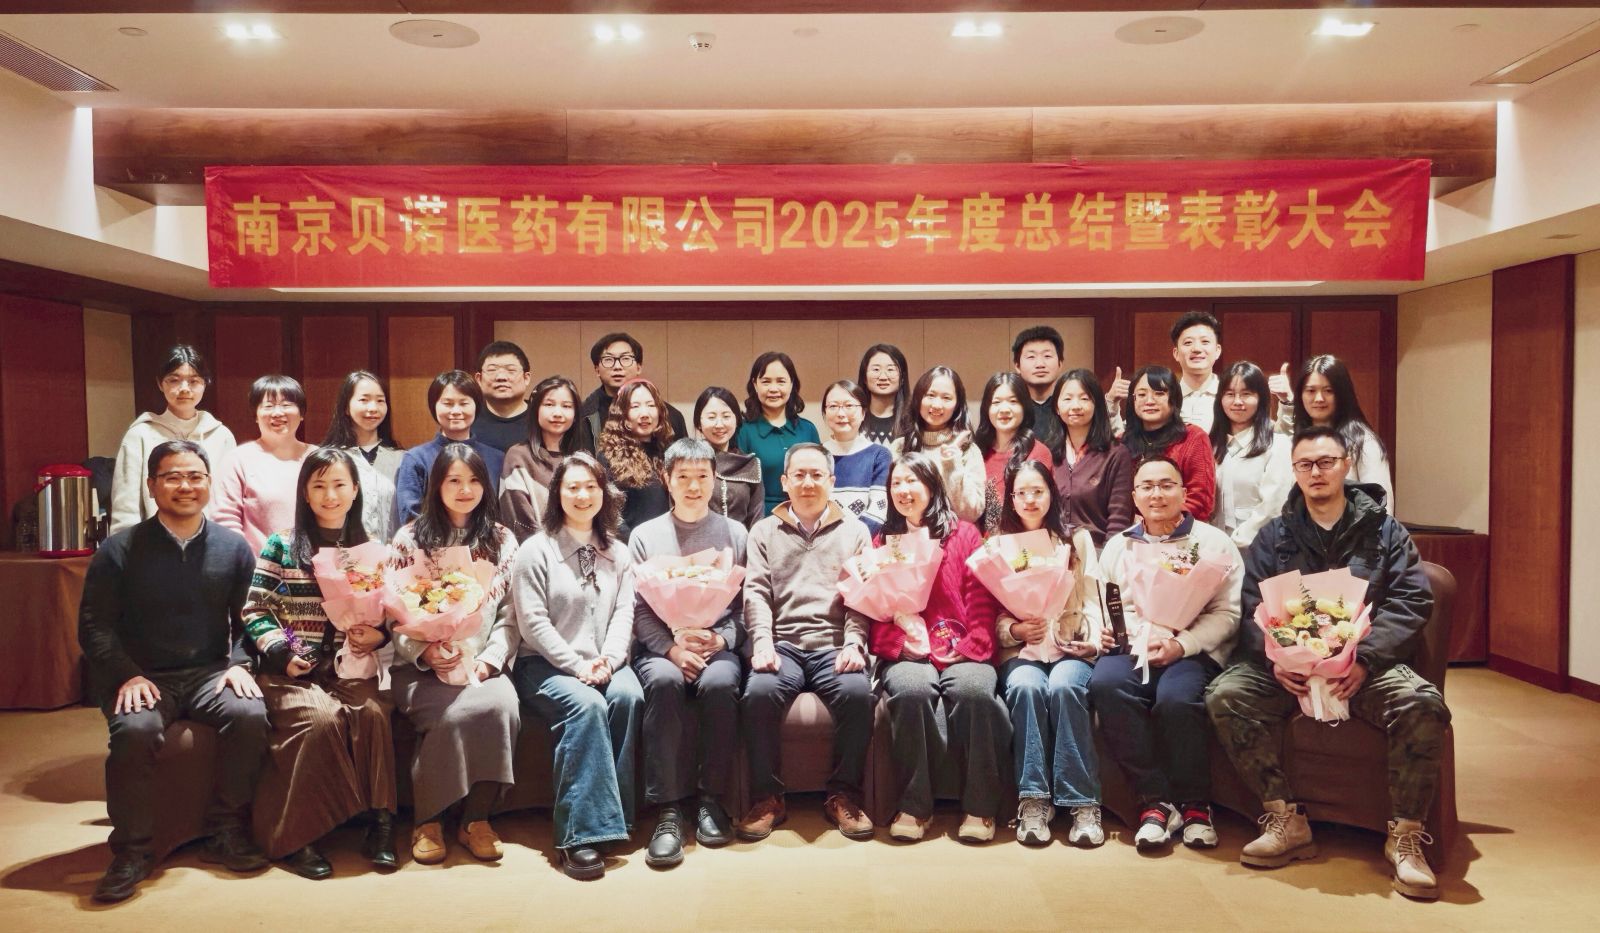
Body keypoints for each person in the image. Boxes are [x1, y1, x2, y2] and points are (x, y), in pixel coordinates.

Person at [1206, 426, 1446, 899]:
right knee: (1225, 694)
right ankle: (1284, 817)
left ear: (1345, 466)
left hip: (1366, 667)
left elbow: (1411, 601)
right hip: (1289, 670)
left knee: (1422, 703)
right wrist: (1275, 661)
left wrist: (1366, 658)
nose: (1315, 472)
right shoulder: (1275, 535)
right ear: (1294, 472)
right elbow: (1251, 605)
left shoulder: (1385, 531)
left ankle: (1406, 836)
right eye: (1305, 465)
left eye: (1325, 462)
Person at [78, 440, 268, 903]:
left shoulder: (232, 548)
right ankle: (132, 850)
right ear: (151, 486)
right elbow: (94, 626)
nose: (185, 486)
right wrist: (126, 674)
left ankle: (226, 829)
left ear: (209, 483)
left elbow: (251, 620)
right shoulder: (119, 550)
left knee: (250, 715)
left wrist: (241, 664)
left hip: (209, 672)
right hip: (142, 675)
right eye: (172, 477)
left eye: (195, 476)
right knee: (135, 730)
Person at [240, 448, 396, 877]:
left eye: (339, 484)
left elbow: (388, 614)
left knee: (374, 714)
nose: (330, 495)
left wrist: (379, 635)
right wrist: (282, 652)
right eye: (319, 486)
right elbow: (255, 608)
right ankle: (298, 836)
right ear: (305, 494)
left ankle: (381, 824)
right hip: (292, 670)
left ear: (355, 490)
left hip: (350, 665)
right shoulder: (282, 545)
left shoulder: (371, 550)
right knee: (321, 719)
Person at [1093, 456, 1243, 852]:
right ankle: (1154, 801)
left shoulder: (1213, 543)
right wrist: (1119, 633)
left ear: (1184, 491)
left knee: (1176, 699)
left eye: (1166, 485)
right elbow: (1109, 604)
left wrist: (1181, 643)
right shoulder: (1119, 545)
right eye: (1147, 487)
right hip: (1135, 646)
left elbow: (1227, 614)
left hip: (1192, 648)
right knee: (1106, 684)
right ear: (1135, 497)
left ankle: (1196, 806)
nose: (1156, 494)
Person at [510, 453, 643, 880]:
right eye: (573, 487)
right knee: (587, 705)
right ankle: (580, 834)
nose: (582, 495)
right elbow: (532, 623)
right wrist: (577, 666)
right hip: (545, 664)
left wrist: (611, 659)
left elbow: (624, 612)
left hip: (604, 660)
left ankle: (616, 819)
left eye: (591, 487)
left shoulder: (618, 552)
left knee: (628, 695)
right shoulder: (536, 550)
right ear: (557, 494)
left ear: (604, 494)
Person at [388, 444, 522, 867]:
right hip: (421, 667)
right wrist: (426, 650)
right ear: (436, 485)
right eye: (454, 480)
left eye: (474, 480)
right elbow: (393, 615)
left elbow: (511, 615)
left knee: (501, 707)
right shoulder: (409, 539)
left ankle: (475, 819)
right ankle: (428, 820)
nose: (465, 489)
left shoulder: (501, 540)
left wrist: (490, 660)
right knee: (453, 714)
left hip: (481, 664)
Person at [737, 443, 876, 842]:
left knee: (858, 694)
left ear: (832, 481)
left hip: (834, 643)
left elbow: (861, 594)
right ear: (784, 481)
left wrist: (854, 642)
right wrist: (762, 642)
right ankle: (768, 798)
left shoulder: (855, 531)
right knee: (758, 694)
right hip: (783, 643)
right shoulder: (764, 531)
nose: (808, 483)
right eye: (799, 475)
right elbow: (756, 592)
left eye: (817, 475)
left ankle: (842, 794)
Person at [872, 453, 1010, 845]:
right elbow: (875, 605)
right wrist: (899, 644)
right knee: (911, 690)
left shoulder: (964, 534)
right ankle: (915, 806)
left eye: (912, 481)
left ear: (932, 486)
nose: (903, 490)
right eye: (896, 483)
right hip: (909, 651)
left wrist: (974, 644)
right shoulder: (884, 540)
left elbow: (981, 596)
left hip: (962, 646)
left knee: (974, 690)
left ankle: (980, 805)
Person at [629, 439, 747, 868]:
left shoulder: (735, 534)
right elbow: (638, 610)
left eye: (702, 477)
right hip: (662, 647)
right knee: (663, 682)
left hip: (717, 643)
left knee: (721, 682)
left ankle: (711, 799)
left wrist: (722, 639)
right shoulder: (644, 536)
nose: (693, 487)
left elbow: (746, 607)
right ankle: (668, 809)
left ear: (715, 480)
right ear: (667, 479)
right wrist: (671, 649)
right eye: (683, 477)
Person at [993, 459, 1109, 847]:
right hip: (1022, 651)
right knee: (1026, 688)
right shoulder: (999, 545)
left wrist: (1092, 640)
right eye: (1021, 493)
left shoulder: (1077, 540)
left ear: (1051, 494)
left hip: (1070, 648)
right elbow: (991, 613)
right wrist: (1013, 630)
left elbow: (1093, 599)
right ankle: (1033, 799)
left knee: (1064, 687)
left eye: (1038, 491)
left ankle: (1083, 802)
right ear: (1011, 499)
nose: (1030, 499)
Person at [110, 344, 237, 535]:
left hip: (209, 543)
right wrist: (125, 549)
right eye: (174, 380)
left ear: (205, 383)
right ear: (160, 384)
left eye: (194, 381)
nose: (184, 389)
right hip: (155, 544)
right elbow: (126, 509)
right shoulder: (140, 434)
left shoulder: (222, 436)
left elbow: (229, 503)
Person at [1269, 354, 1394, 512]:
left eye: (1328, 391)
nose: (1319, 398)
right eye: (1311, 391)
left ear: (1342, 394)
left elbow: (1382, 505)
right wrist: (1287, 401)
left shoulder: (1362, 441)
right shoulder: (1299, 437)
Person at [211, 374, 317, 553]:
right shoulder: (238, 459)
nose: (278, 413)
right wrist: (249, 563)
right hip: (258, 566)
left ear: (301, 413)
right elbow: (225, 521)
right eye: (268, 406)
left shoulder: (318, 458)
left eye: (286, 405)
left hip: (316, 564)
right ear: (256, 415)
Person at [394, 371, 505, 526]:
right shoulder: (416, 458)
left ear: (476, 406)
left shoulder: (497, 458)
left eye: (464, 403)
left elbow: (501, 512)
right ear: (434, 406)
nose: (456, 411)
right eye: (448, 403)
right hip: (429, 540)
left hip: (486, 539)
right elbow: (410, 515)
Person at [1208, 361, 1293, 548]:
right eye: (1230, 394)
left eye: (1246, 394)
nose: (1237, 401)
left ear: (1260, 398)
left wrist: (1234, 544)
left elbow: (1273, 507)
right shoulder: (1209, 445)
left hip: (1259, 548)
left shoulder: (1277, 444)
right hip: (1213, 548)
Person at [889, 366, 985, 524]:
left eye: (946, 398)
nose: (937, 405)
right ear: (918, 398)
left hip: (954, 536)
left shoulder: (967, 450)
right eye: (930, 395)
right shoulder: (900, 447)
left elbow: (971, 513)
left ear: (957, 405)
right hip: (909, 535)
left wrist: (951, 465)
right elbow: (891, 506)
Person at [1050, 369, 1134, 547]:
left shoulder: (1116, 454)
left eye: (1084, 398)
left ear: (1097, 404)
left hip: (1099, 552)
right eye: (1067, 399)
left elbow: (1118, 520)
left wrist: (1107, 558)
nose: (1075, 406)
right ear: (1057, 407)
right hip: (1055, 553)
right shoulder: (1048, 453)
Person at [1121, 365, 1216, 522]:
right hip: (1131, 530)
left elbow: (1200, 500)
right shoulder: (1121, 442)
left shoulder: (1193, 437)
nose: (1149, 401)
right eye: (1142, 394)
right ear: (1133, 400)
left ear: (1174, 398)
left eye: (1159, 393)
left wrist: (1155, 524)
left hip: (1182, 530)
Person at [321, 370, 406, 543]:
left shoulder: (402, 458)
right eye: (364, 400)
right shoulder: (329, 459)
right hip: (342, 554)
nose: (373, 408)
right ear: (346, 407)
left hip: (392, 555)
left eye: (380, 401)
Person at [500, 375, 585, 542]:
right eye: (549, 404)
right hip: (533, 552)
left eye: (566, 406)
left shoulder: (582, 461)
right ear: (536, 410)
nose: (558, 413)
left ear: (575, 414)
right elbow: (518, 519)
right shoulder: (519, 456)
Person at [734, 351, 820, 516]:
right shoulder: (743, 431)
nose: (773, 389)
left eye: (781, 381)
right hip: (757, 516)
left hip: (804, 515)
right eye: (766, 382)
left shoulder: (808, 430)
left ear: (792, 384)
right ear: (755, 384)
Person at [973, 372, 1054, 533]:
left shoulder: (1038, 453)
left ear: (1024, 407)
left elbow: (1044, 511)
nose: (1004, 409)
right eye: (996, 402)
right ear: (987, 408)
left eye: (1013, 401)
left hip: (1024, 543)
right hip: (982, 544)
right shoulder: (977, 452)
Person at [596, 377, 675, 539]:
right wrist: (634, 544)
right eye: (635, 406)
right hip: (629, 545)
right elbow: (610, 513)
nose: (644, 414)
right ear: (622, 414)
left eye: (651, 405)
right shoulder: (608, 457)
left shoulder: (669, 452)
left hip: (669, 543)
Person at [581, 332, 687, 445]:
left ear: (639, 367)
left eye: (626, 358)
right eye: (608, 359)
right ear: (597, 369)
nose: (617, 366)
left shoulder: (670, 415)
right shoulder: (584, 415)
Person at [819, 379, 891, 532]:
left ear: (863, 413)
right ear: (825, 412)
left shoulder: (879, 455)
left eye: (849, 406)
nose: (841, 413)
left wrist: (852, 539)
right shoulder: (816, 454)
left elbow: (879, 509)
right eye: (833, 406)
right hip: (821, 540)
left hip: (863, 541)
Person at [693, 386, 764, 529]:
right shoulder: (688, 463)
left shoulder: (750, 464)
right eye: (711, 417)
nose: (719, 424)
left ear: (737, 420)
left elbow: (756, 520)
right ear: (699, 423)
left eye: (726, 416)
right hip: (696, 541)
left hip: (742, 542)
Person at [470, 340, 534, 454]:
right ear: (479, 379)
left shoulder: (541, 418)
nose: (501, 377)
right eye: (492, 370)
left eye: (511, 370)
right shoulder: (467, 418)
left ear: (526, 378)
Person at [1012, 325, 1066, 451]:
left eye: (1047, 356)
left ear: (1060, 364)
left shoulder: (1069, 408)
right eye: (1031, 357)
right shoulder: (1010, 409)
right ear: (1017, 366)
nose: (1040, 364)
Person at [857, 343, 909, 447]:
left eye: (890, 369)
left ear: (902, 378)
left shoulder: (913, 420)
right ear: (864, 377)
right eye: (876, 369)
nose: (883, 377)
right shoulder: (853, 418)